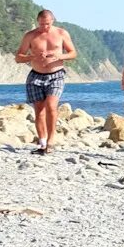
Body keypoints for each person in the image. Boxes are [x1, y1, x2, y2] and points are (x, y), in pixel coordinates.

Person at [14, 9, 76, 153]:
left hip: (56, 74)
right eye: (41, 24)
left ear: (52, 21)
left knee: (51, 106)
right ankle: (42, 142)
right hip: (36, 75)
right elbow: (18, 57)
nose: (44, 27)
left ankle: (51, 140)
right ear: (37, 22)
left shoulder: (61, 33)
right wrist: (31, 57)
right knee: (39, 110)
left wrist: (58, 56)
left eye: (47, 24)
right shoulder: (30, 36)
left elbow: (73, 53)